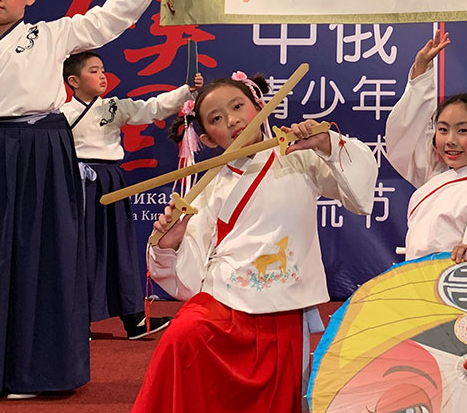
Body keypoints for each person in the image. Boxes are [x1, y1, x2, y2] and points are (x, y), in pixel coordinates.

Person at [0, 0, 168, 398]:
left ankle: (40, 371)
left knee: (47, 256)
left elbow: (110, 18)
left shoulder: (53, 34)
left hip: (45, 150)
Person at [134, 72, 377, 412]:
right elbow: (187, 278)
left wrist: (325, 143)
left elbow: (359, 195)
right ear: (207, 139)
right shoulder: (207, 188)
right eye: (216, 119)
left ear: (260, 106)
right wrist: (169, 243)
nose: (232, 120)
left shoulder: (298, 157)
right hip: (223, 303)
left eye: (238, 107)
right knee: (182, 336)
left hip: (284, 305)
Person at [59, 51, 198, 339]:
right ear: (73, 81)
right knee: (80, 248)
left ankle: (134, 319)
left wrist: (186, 91)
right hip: (77, 183)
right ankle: (76, 322)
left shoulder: (113, 107)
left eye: (102, 69)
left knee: (119, 247)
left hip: (112, 181)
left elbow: (152, 108)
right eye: (93, 71)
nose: (102, 76)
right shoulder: (60, 114)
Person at [386, 28, 467, 263]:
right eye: (443, 130)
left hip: (452, 280)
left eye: (463, 131)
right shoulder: (435, 173)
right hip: (420, 277)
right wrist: (420, 72)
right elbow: (403, 138)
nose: (450, 140)